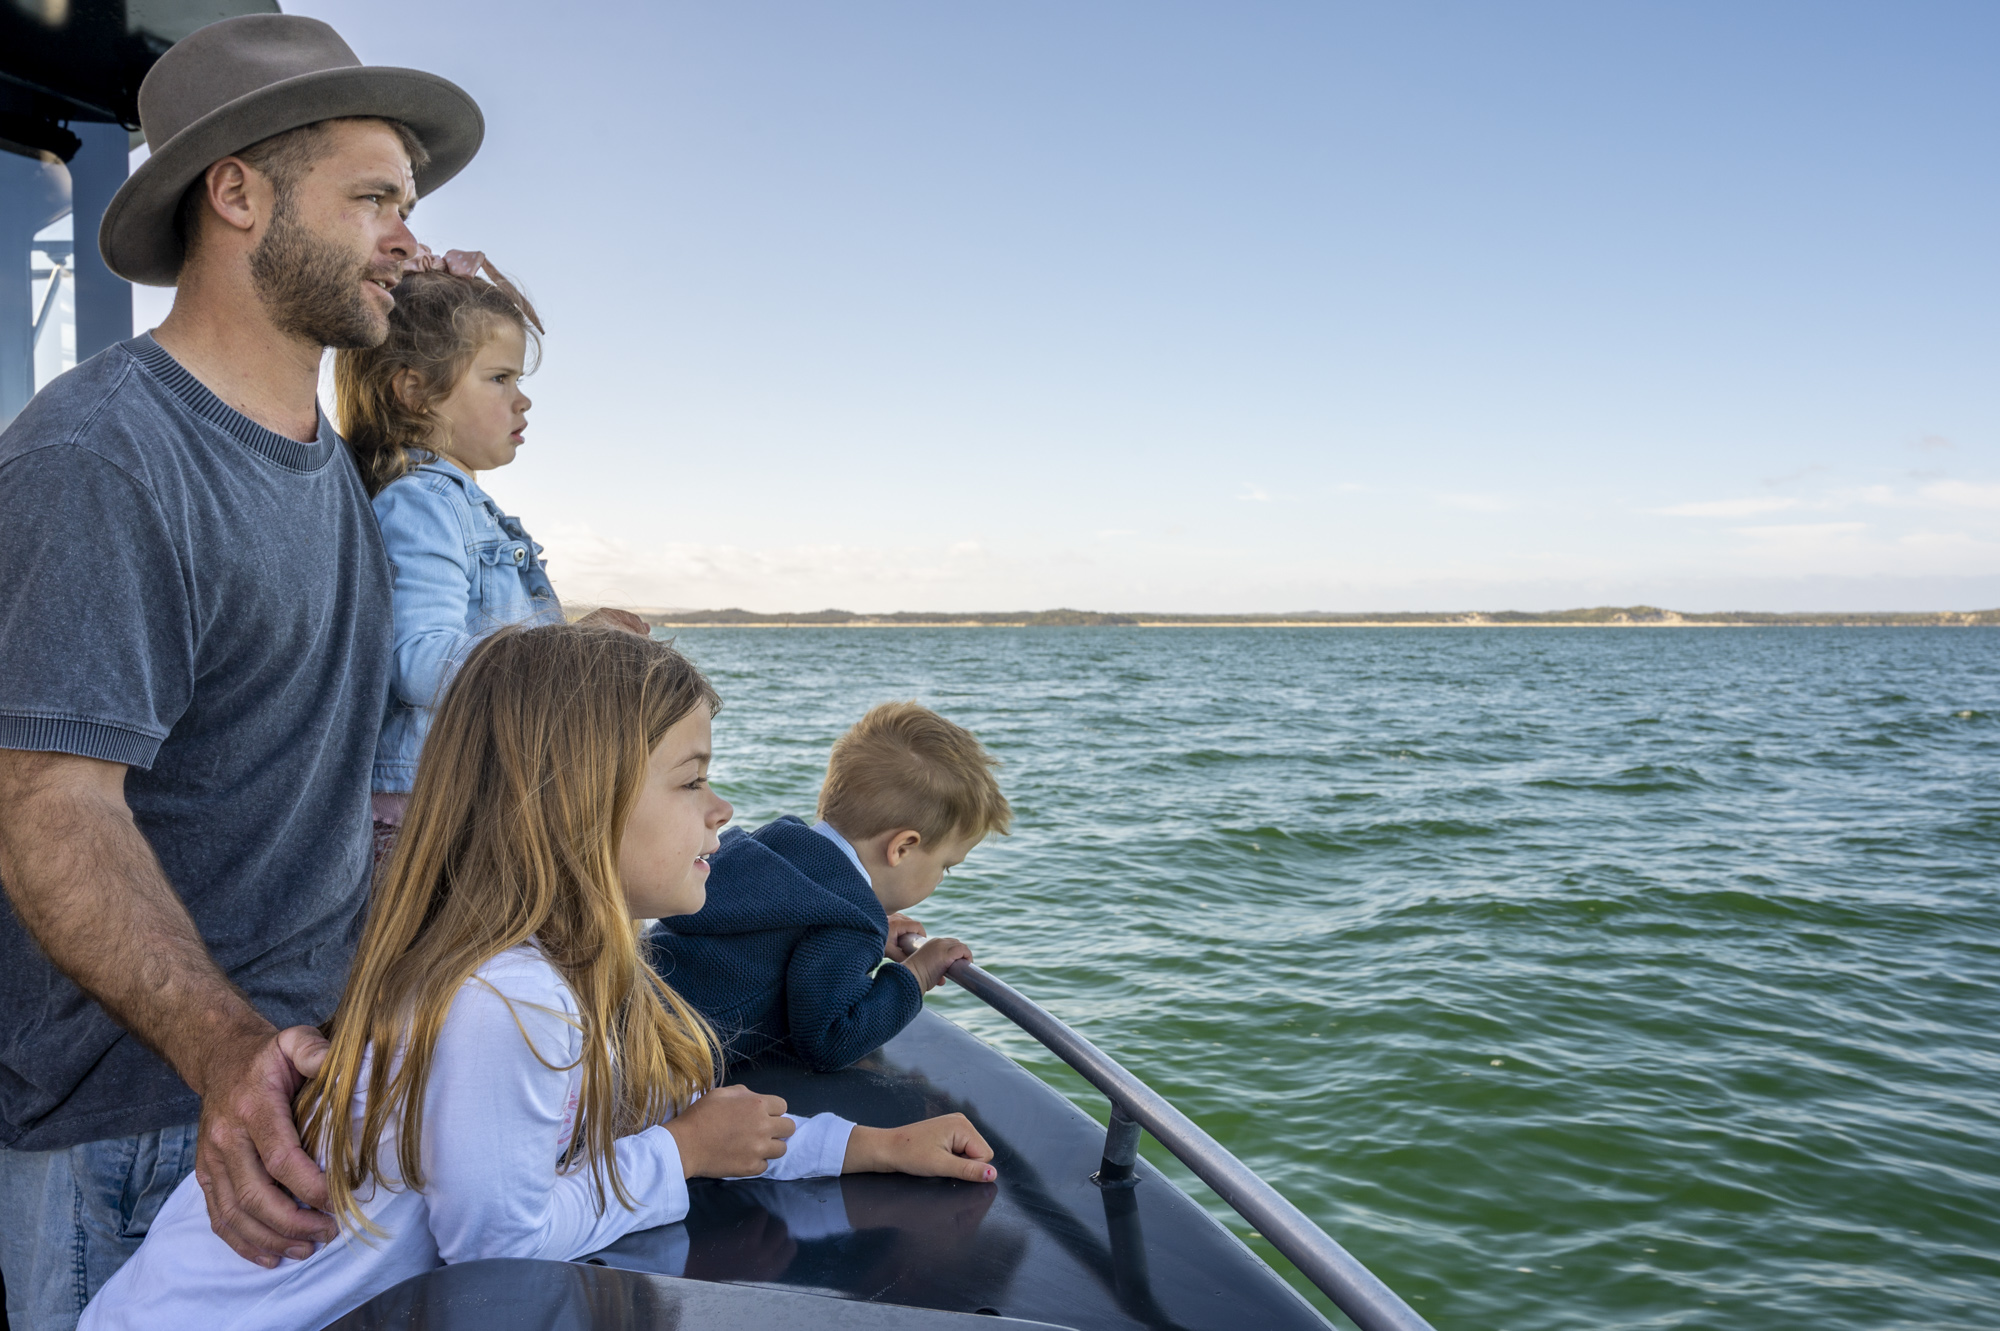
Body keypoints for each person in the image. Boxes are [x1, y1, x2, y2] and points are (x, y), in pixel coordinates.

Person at [79, 624, 996, 1331]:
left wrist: (869, 1147)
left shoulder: (577, 975)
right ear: (575, 803)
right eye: (689, 782)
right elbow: (499, 1244)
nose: (725, 809)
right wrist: (680, 1154)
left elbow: (684, 1126)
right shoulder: (506, 998)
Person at [0, 15, 484, 1325]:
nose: (409, 235)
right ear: (236, 191)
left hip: (309, 1090)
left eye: (411, 203)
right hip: (155, 1127)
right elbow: (52, 806)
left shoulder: (324, 458)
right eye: (374, 196)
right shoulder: (103, 459)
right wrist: (228, 1062)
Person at [333, 258, 647, 864]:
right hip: (432, 809)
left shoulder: (455, 502)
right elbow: (418, 659)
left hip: (461, 799)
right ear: (415, 389)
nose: (522, 399)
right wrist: (567, 656)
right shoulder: (422, 502)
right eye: (499, 378)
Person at [651, 702, 1012, 1071]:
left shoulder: (774, 841)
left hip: (628, 999)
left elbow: (776, 926)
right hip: (656, 1058)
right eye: (945, 867)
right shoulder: (849, 920)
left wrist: (871, 931)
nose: (940, 877)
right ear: (902, 847)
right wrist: (916, 975)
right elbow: (830, 1039)